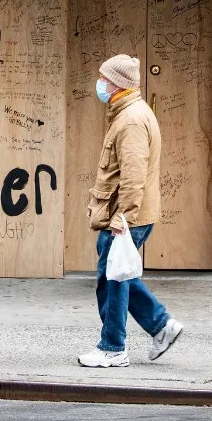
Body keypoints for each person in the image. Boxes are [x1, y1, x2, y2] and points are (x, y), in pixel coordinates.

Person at [78, 54, 183, 368]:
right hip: (125, 214)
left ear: (115, 83)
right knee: (120, 275)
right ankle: (162, 326)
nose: (99, 83)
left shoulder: (132, 119)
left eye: (103, 79)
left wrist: (122, 217)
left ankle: (113, 347)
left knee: (112, 279)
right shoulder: (127, 113)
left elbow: (133, 175)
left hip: (126, 216)